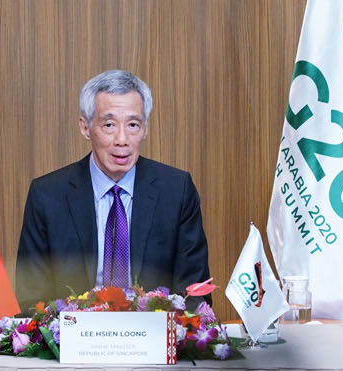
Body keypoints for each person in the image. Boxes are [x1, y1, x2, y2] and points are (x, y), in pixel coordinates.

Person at [15, 69, 210, 307]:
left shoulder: (176, 190)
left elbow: (195, 294)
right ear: (85, 127)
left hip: (152, 338)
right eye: (109, 124)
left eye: (133, 125)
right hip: (73, 339)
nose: (122, 139)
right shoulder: (47, 195)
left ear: (146, 129)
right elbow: (30, 298)